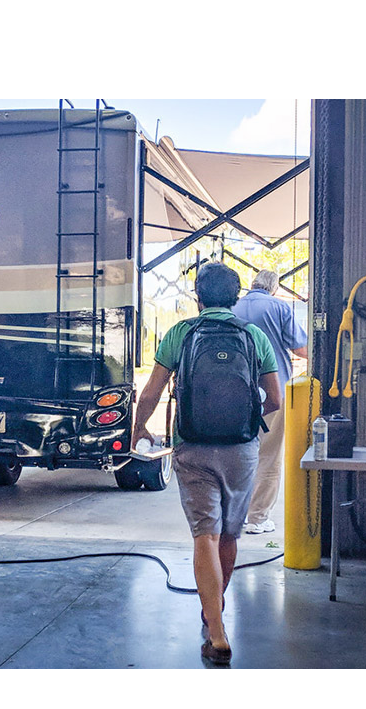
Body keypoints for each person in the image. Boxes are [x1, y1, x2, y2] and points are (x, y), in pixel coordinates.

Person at [132, 263, 281, 664]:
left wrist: (139, 427)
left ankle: (216, 632)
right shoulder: (254, 337)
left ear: (198, 297)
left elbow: (152, 390)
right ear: (235, 299)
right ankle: (212, 609)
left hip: (193, 447)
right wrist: (246, 421)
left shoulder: (181, 333)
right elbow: (276, 400)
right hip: (241, 450)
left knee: (205, 536)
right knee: (229, 535)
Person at [231, 270, 308, 535]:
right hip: (272, 392)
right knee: (269, 455)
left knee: (239, 453)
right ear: (273, 287)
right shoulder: (278, 307)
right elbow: (301, 348)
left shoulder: (234, 307)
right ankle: (258, 518)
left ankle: (235, 516)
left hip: (236, 392)